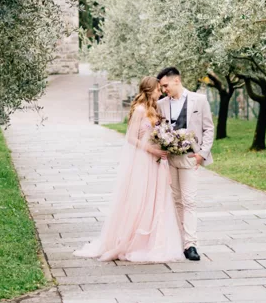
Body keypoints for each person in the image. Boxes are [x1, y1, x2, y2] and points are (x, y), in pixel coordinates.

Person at [73, 76, 184, 263]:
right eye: (158, 89)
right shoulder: (140, 110)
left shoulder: (155, 109)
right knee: (140, 198)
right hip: (144, 160)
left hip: (157, 161)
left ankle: (154, 241)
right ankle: (133, 240)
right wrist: (152, 150)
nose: (161, 91)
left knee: (156, 199)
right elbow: (131, 138)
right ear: (150, 90)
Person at [156, 66, 214, 261]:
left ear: (176, 81)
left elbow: (208, 129)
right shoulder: (161, 104)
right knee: (176, 201)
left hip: (190, 158)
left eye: (165, 85)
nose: (164, 90)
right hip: (170, 160)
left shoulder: (200, 100)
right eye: (162, 87)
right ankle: (179, 241)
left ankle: (191, 244)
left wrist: (202, 155)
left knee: (189, 201)